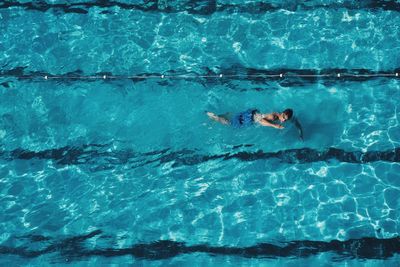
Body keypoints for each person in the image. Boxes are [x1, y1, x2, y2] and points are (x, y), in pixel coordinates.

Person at [207, 108, 304, 140]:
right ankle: (213, 116)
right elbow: (260, 120)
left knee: (232, 118)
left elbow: (296, 122)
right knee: (229, 123)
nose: (283, 121)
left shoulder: (283, 117)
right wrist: (274, 125)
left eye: (285, 120)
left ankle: (224, 114)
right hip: (251, 118)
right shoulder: (274, 116)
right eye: (283, 118)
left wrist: (300, 133)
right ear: (282, 113)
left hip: (253, 114)